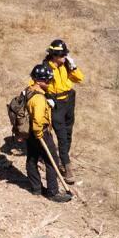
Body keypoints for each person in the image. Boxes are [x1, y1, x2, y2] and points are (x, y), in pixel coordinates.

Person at [22, 62, 71, 202]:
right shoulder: (38, 98)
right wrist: (39, 134)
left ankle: (36, 188)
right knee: (52, 161)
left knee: (32, 159)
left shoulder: (29, 90)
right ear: (39, 81)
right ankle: (53, 193)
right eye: (47, 80)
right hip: (40, 132)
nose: (49, 82)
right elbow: (38, 119)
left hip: (30, 132)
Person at [42, 39, 83, 178]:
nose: (65, 56)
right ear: (54, 55)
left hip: (69, 100)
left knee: (68, 132)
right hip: (56, 104)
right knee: (62, 136)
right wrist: (45, 97)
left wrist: (74, 67)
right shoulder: (46, 68)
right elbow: (35, 84)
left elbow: (79, 79)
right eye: (63, 55)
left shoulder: (66, 65)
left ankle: (63, 159)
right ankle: (66, 166)